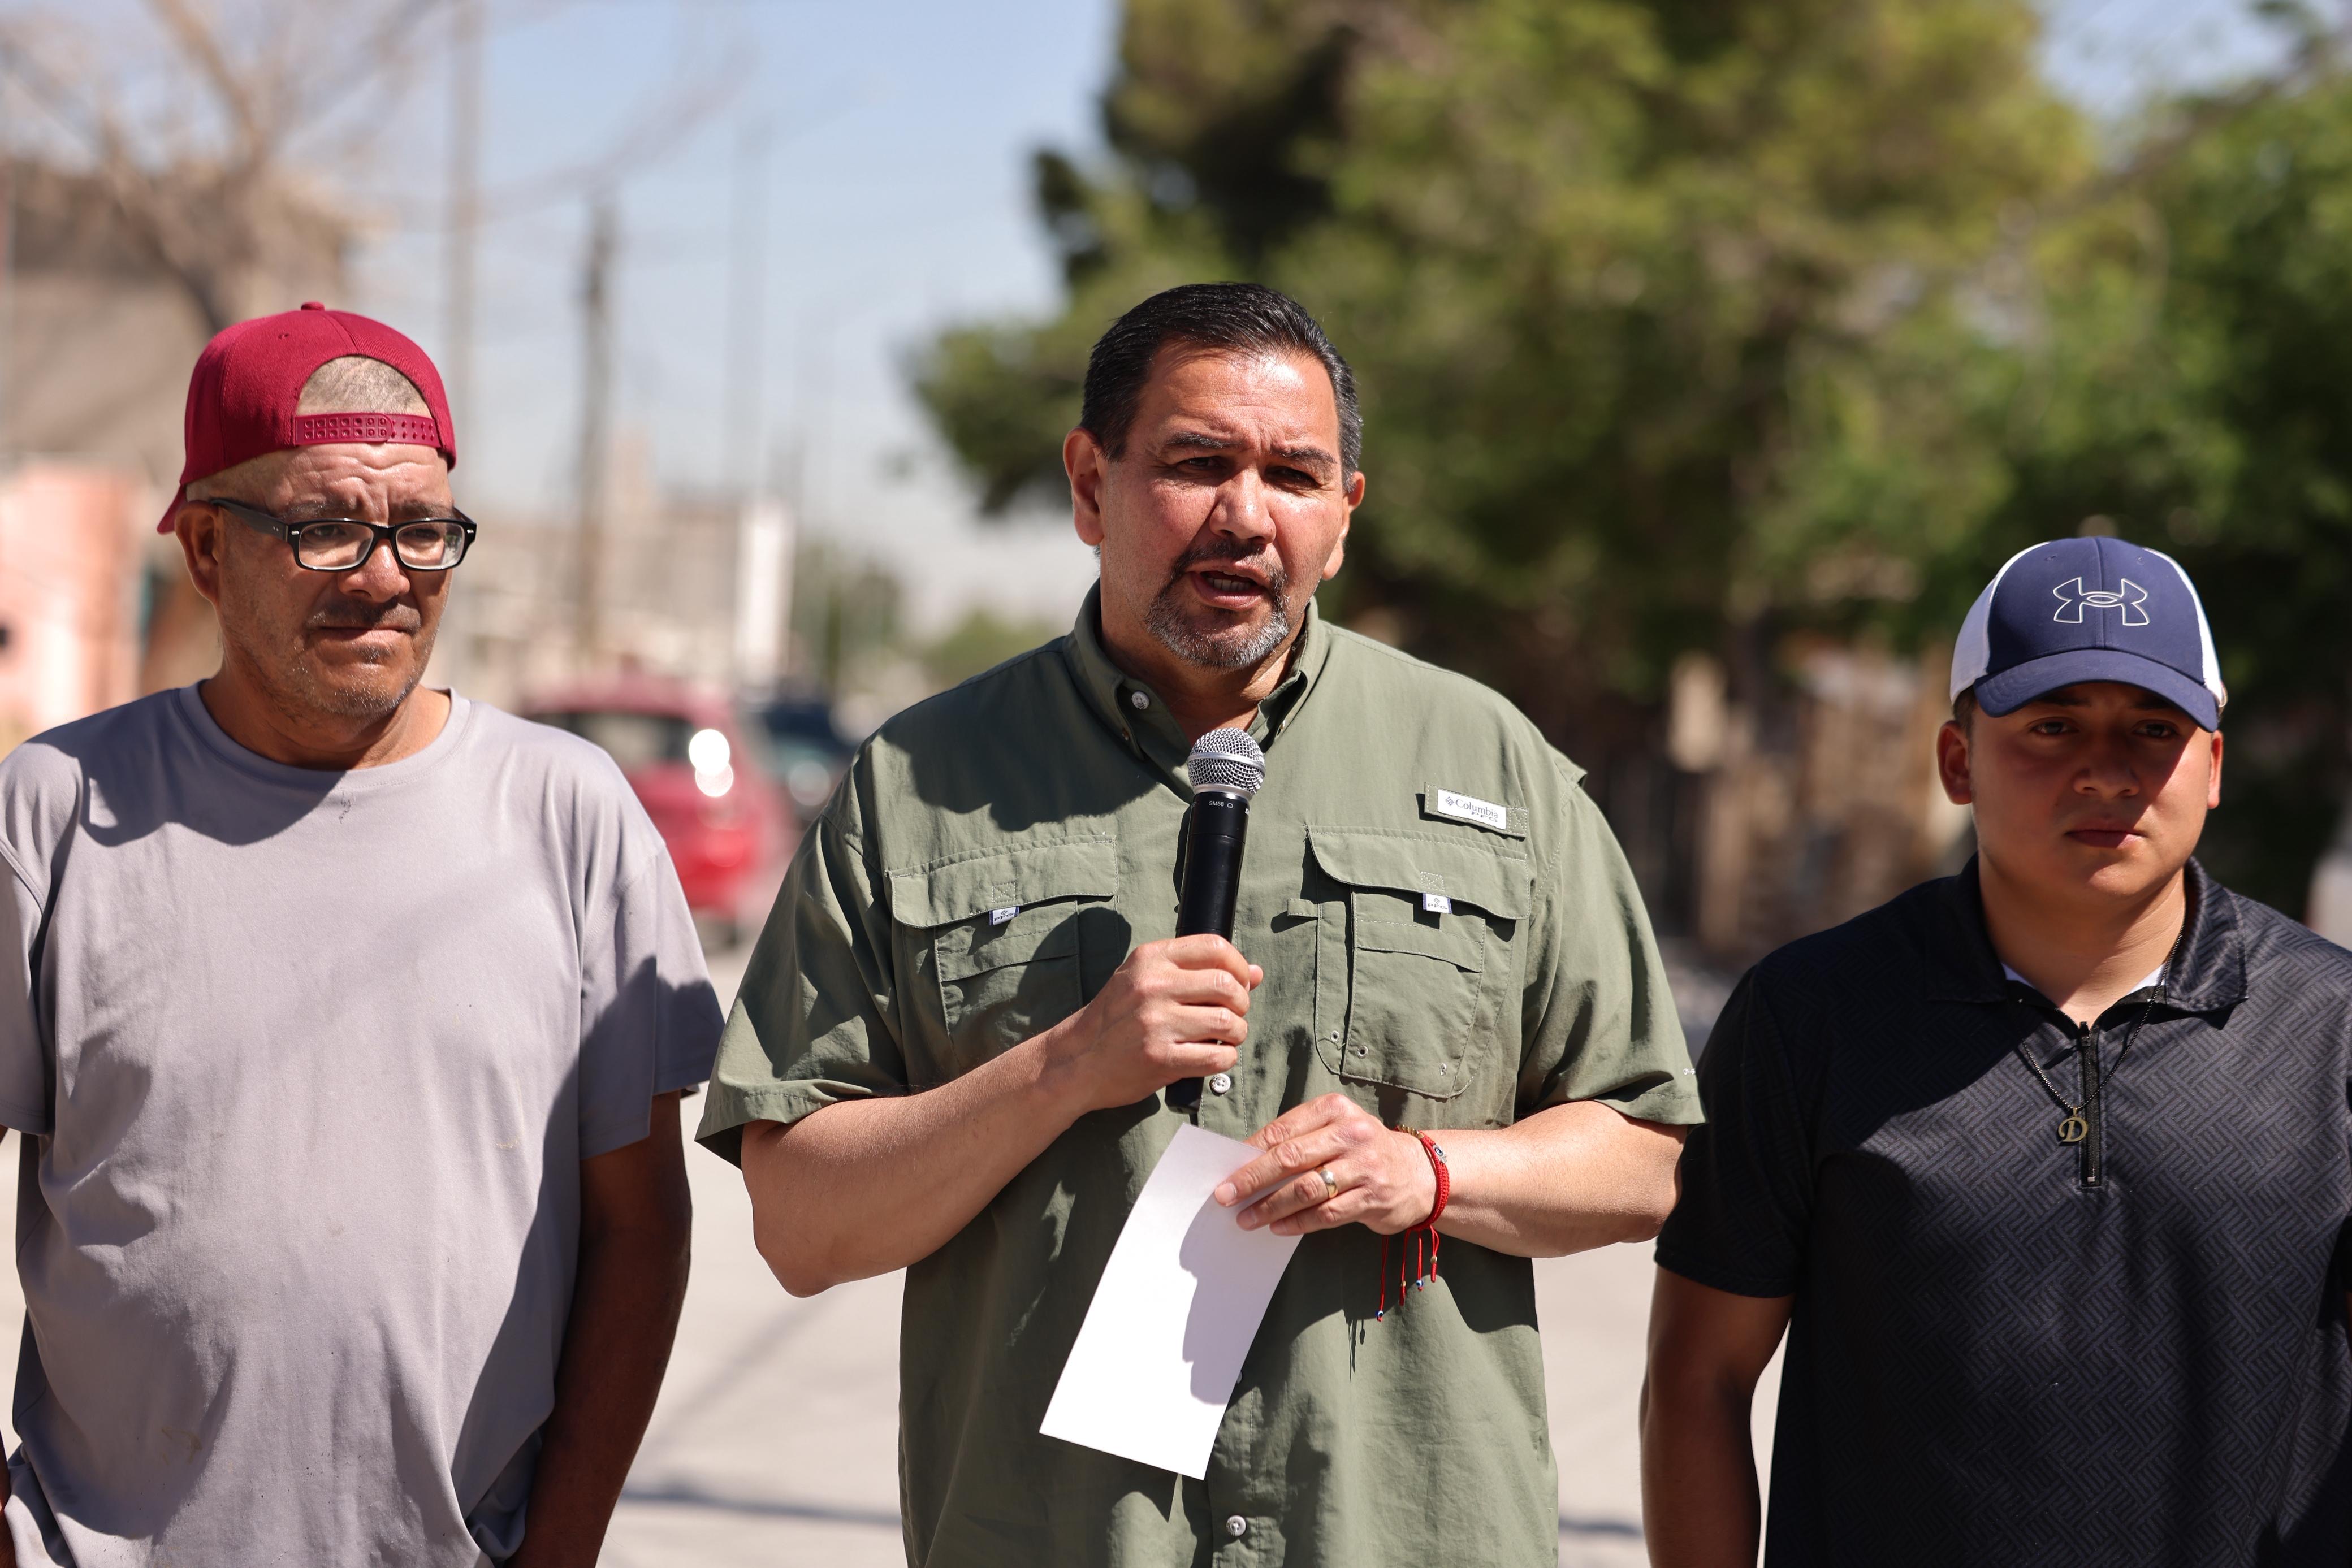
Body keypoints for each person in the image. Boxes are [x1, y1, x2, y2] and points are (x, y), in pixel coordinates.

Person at [699, 281, 1702, 1565]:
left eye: (1293, 473)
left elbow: (1642, 1155)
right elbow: (800, 1222)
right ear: (1088, 483)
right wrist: (1064, 1066)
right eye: (1194, 463)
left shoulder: (1492, 766)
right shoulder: (917, 784)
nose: (1244, 514)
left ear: (1344, 515)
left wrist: (1431, 1171)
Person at [0, 303, 723, 1566]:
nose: (387, 575)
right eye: (326, 528)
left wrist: (558, 1551)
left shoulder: (569, 814)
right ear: (210, 550)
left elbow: (640, 1225)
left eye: (423, 529)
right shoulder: (56, 809)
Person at [1642, 535, 2352, 1564]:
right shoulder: (1813, 1016)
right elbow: (1698, 1381)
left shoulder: (2330, 1032)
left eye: (2154, 727)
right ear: (1958, 760)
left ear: (2214, 763)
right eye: (2053, 725)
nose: (2107, 770)